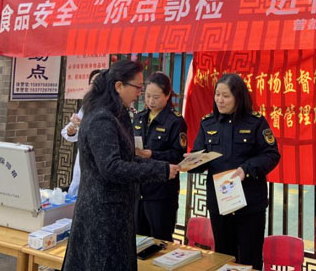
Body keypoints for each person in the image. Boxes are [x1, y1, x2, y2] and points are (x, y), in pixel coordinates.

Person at [62, 59, 179, 271]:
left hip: (116, 211)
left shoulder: (117, 113)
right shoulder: (102, 118)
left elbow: (127, 158)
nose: (140, 94)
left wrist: (161, 167)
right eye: (137, 88)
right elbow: (112, 167)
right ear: (118, 86)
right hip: (102, 213)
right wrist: (159, 170)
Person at [189, 73, 280, 270]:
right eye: (217, 95)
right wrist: (191, 162)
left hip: (249, 204)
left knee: (249, 259)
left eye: (226, 96)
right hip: (220, 204)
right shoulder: (208, 123)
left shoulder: (255, 122)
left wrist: (246, 169)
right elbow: (199, 156)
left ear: (238, 97)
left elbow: (271, 154)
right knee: (224, 257)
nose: (220, 100)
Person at [134, 71, 187, 241]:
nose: (150, 101)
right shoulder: (139, 117)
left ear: (167, 95)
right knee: (137, 240)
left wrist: (152, 154)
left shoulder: (175, 121)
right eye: (147, 96)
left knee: (160, 241)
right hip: (139, 190)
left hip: (162, 192)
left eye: (156, 97)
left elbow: (178, 155)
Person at [61, 68, 103, 196]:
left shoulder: (111, 109)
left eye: (98, 83)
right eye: (92, 83)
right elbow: (68, 132)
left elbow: (102, 136)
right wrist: (72, 131)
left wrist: (84, 125)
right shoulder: (87, 106)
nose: (93, 86)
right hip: (82, 163)